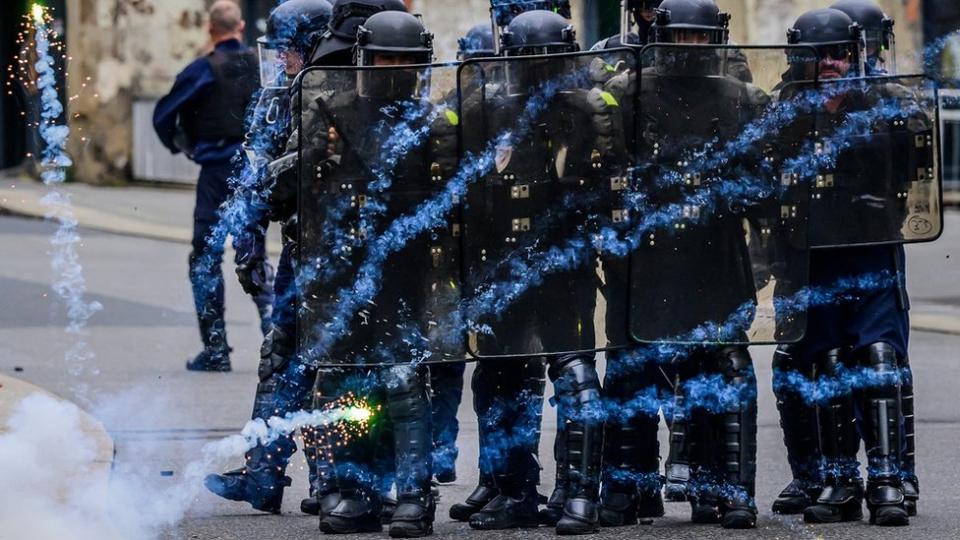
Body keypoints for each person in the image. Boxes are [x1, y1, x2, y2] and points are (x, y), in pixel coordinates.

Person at [203, 0, 408, 517]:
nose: (286, 60)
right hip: (312, 244)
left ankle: (334, 480)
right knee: (293, 358)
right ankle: (278, 475)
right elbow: (258, 171)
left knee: (336, 366)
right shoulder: (300, 90)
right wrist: (249, 239)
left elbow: (290, 172)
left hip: (343, 249)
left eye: (294, 48)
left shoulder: (347, 87)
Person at [457, 9, 622, 535]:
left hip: (561, 260)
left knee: (573, 374)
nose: (537, 69)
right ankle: (513, 491)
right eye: (530, 60)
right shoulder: (486, 107)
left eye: (546, 59)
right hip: (504, 262)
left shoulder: (590, 109)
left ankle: (579, 496)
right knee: (501, 374)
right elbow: (470, 185)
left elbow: (608, 186)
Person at [295, 10, 446, 537]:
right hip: (344, 268)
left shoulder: (434, 123)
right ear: (363, 60)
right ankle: (351, 488)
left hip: (406, 272)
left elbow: (457, 204)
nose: (395, 71)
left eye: (405, 62)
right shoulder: (329, 108)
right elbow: (300, 186)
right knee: (343, 381)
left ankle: (414, 496)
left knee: (403, 381)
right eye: (386, 59)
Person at [772, 6, 925, 527]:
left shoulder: (887, 103)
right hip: (809, 259)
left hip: (870, 252)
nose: (831, 64)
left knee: (879, 356)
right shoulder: (780, 112)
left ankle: (889, 478)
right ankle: (838, 479)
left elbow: (913, 171)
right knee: (823, 362)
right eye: (819, 56)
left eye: (839, 53)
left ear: (856, 52)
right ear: (799, 59)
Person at [629, 0, 765, 529]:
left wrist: (727, 194)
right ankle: (636, 490)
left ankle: (731, 490)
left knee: (725, 367)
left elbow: (763, 178)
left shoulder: (742, 98)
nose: (689, 48)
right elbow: (612, 171)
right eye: (679, 37)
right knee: (644, 368)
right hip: (655, 257)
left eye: (698, 38)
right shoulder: (629, 93)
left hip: (718, 254)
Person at [153, 0, 274, 372]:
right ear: (240, 27)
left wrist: (183, 146)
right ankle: (275, 338)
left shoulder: (202, 70)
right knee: (253, 252)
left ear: (210, 29)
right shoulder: (262, 67)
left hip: (217, 172)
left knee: (205, 258)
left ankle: (217, 348)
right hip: (253, 171)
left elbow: (163, 115)